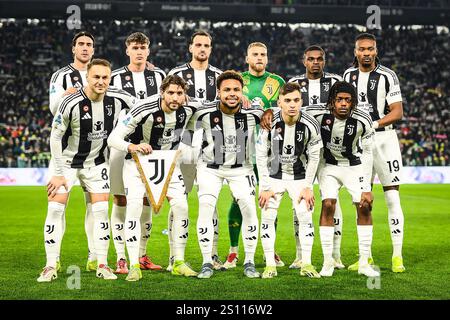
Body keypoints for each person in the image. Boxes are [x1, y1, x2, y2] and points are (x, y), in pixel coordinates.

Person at [37, 59, 135, 282]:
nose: (101, 82)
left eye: (105, 78)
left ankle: (101, 263)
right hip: (65, 164)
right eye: (96, 77)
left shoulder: (118, 97)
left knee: (100, 211)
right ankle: (50, 265)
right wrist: (59, 172)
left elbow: (141, 107)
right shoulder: (69, 102)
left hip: (97, 163)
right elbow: (55, 136)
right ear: (87, 78)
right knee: (55, 209)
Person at [108, 75, 199, 281]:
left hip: (168, 163)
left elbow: (212, 107)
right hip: (137, 163)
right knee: (134, 207)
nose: (175, 98)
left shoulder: (190, 108)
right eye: (170, 93)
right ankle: (133, 264)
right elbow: (113, 138)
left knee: (182, 206)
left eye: (179, 93)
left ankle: (178, 262)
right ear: (162, 92)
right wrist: (133, 146)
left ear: (185, 94)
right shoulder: (143, 108)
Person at [343, 33, 405, 273]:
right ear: (355, 51)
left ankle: (397, 256)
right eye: (362, 49)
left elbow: (397, 112)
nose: (366, 53)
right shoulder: (349, 76)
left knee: (392, 197)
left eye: (370, 49)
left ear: (376, 50)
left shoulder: (388, 76)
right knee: (362, 201)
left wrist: (375, 124)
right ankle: (365, 257)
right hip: (360, 142)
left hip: (385, 139)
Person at [193, 70, 263, 279]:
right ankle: (207, 261)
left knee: (250, 210)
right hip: (210, 168)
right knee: (205, 208)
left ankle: (249, 261)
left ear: (242, 92)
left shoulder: (255, 113)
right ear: (218, 92)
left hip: (242, 169)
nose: (232, 94)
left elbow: (272, 111)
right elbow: (186, 128)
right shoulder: (202, 113)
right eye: (227, 90)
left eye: (236, 90)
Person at [305, 81, 379, 278]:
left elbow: (368, 153)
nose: (344, 104)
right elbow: (291, 108)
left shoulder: (363, 119)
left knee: (364, 206)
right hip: (328, 166)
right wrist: (269, 113)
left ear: (353, 102)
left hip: (353, 166)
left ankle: (364, 261)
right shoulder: (317, 113)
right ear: (332, 101)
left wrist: (367, 186)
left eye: (348, 100)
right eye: (339, 100)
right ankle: (328, 261)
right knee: (328, 205)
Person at [223, 42, 286, 270]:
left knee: (272, 197)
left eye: (263, 54)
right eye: (255, 55)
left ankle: (271, 250)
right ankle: (233, 251)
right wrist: (239, 101)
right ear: (247, 58)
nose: (259, 58)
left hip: (272, 148)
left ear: (267, 58)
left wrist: (273, 111)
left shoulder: (278, 82)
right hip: (245, 146)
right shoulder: (237, 82)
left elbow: (286, 108)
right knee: (238, 199)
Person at [109, 32, 166, 274]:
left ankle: (142, 254)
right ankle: (121, 257)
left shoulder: (160, 75)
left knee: (146, 200)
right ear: (127, 50)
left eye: (143, 47)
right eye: (135, 47)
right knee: (121, 199)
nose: (139, 51)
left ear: (149, 50)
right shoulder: (115, 77)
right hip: (123, 146)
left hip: (151, 148)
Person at [168, 30, 223, 271]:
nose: (202, 49)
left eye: (206, 45)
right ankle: (174, 256)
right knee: (179, 198)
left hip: (211, 144)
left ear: (211, 49)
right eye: (198, 45)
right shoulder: (176, 75)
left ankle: (213, 254)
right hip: (184, 142)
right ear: (190, 47)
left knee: (210, 201)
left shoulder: (220, 77)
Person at [256, 82, 322, 279]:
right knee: (267, 217)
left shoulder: (310, 124)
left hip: (299, 177)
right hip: (273, 177)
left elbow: (314, 157)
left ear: (301, 101)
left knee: (305, 216)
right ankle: (270, 265)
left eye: (295, 100)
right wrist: (265, 187)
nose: (292, 105)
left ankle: (307, 264)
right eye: (287, 101)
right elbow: (260, 154)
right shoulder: (269, 122)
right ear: (280, 103)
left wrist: (309, 187)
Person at [288, 45, 345, 270]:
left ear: (324, 61)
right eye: (311, 59)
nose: (315, 62)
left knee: (332, 200)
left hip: (330, 151)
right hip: (302, 152)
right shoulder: (294, 82)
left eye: (319, 59)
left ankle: (336, 255)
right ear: (304, 61)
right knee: (299, 202)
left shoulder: (335, 82)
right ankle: (300, 254)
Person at [48, 31, 97, 272]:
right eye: (81, 44)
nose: (85, 48)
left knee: (95, 207)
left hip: (95, 156)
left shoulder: (99, 74)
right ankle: (53, 259)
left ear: (93, 50)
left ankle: (94, 256)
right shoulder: (61, 76)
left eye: (89, 44)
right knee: (57, 206)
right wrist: (67, 96)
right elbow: (53, 109)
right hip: (65, 156)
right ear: (73, 48)